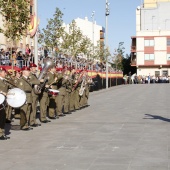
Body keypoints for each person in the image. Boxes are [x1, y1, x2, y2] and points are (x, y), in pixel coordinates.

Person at [17, 66, 33, 131]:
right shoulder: (21, 80)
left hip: (29, 97)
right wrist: (23, 99)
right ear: (23, 72)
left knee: (28, 111)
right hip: (25, 97)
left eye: (29, 71)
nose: (29, 72)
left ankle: (26, 124)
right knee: (24, 112)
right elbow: (21, 90)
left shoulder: (28, 79)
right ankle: (23, 125)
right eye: (27, 71)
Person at [0, 67, 10, 140]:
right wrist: (1, 92)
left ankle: (2, 133)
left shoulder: (5, 81)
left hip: (3, 101)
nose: (5, 73)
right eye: (4, 72)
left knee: (3, 117)